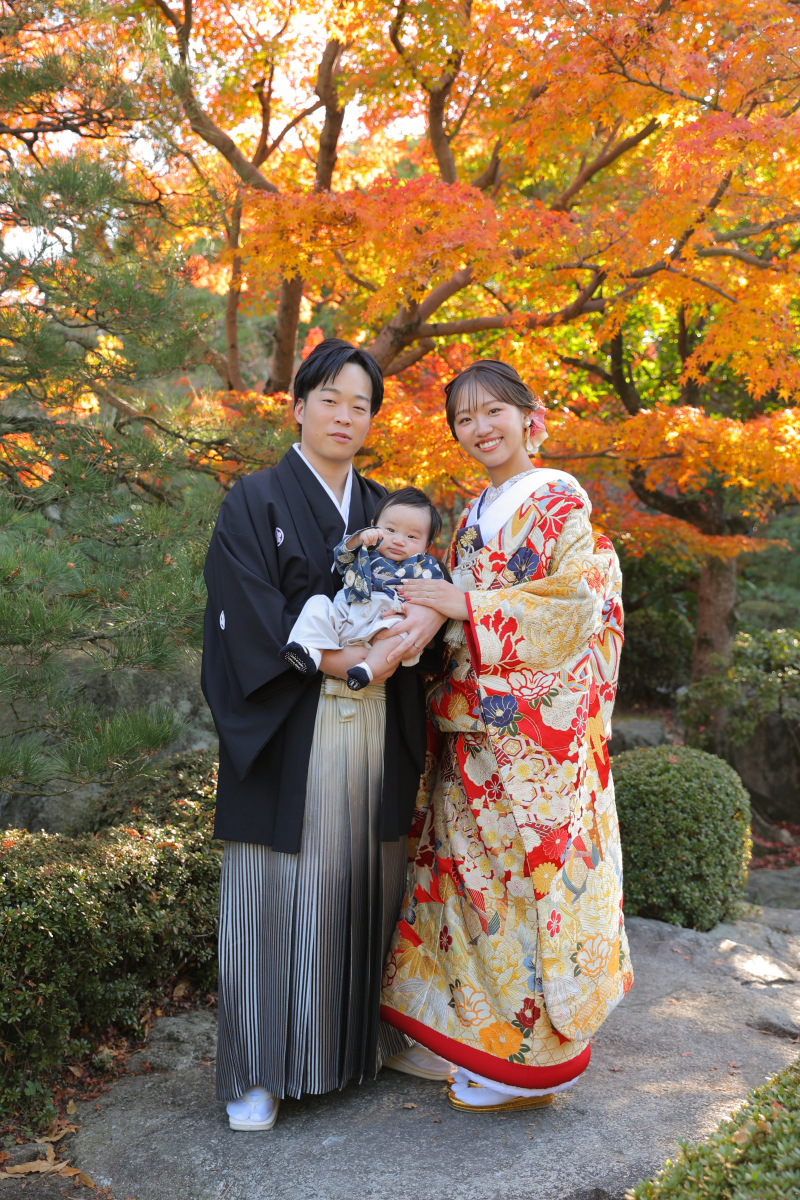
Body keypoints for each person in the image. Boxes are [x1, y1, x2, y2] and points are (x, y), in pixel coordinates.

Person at [201, 338, 453, 1133]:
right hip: (290, 726)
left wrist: (417, 627)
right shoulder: (254, 499)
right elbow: (244, 616)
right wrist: (354, 662)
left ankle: (345, 1055)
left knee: (354, 889)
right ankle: (258, 1070)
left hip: (375, 731)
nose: (346, 415)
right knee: (273, 896)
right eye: (332, 399)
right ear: (299, 405)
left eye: (361, 405)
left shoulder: (386, 510)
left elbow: (428, 596)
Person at [379, 359, 633, 1113]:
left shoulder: (558, 499)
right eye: (464, 418)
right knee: (473, 899)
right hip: (470, 736)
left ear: (532, 417)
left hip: (532, 745)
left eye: (494, 411)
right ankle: (481, 1047)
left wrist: (464, 601)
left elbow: (571, 606)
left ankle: (530, 1062)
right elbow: (456, 606)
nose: (480, 427)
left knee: (525, 896)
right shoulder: (476, 508)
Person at [281, 486, 445, 691]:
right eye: (390, 530)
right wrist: (359, 539)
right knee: (317, 603)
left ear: (427, 545)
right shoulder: (365, 551)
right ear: (374, 527)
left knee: (399, 633)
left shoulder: (424, 566)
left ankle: (367, 670)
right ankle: (311, 651)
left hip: (383, 623)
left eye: (412, 537)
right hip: (346, 613)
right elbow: (340, 558)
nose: (399, 540)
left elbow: (435, 596)